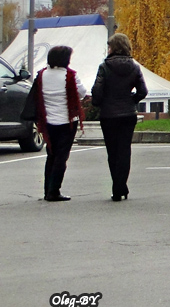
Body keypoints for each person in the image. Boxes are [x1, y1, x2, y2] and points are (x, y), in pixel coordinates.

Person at [92, 33, 148, 202]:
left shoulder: (105, 67)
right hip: (128, 114)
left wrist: (99, 103)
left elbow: (97, 91)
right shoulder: (134, 66)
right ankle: (121, 187)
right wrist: (131, 100)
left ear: (113, 48)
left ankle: (117, 187)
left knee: (113, 152)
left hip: (108, 114)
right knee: (124, 151)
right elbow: (143, 91)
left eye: (109, 46)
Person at [31, 45, 88, 202]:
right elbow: (82, 93)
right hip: (67, 122)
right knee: (61, 157)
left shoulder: (42, 74)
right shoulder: (70, 75)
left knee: (51, 156)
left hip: (48, 122)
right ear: (65, 59)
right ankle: (54, 191)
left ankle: (47, 189)